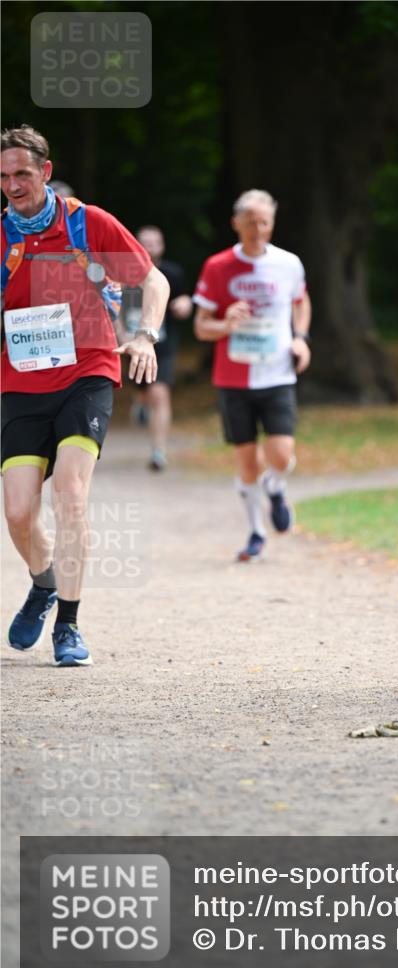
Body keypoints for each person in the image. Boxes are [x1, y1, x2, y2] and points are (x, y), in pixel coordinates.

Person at [1, 125, 169, 666]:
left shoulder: (86, 223)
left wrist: (145, 334)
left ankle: (68, 627)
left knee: (70, 494)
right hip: (22, 380)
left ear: (44, 172)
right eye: (3, 177)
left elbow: (154, 282)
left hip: (88, 371)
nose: (12, 185)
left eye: (22, 173)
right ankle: (44, 583)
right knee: (19, 511)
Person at [193, 189, 311, 561]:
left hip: (277, 374)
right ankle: (256, 532)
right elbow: (200, 327)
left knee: (280, 455)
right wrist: (225, 324)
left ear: (272, 224)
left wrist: (301, 339)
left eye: (264, 222)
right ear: (236, 225)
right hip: (233, 378)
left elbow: (301, 301)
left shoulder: (289, 263)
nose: (258, 230)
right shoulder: (217, 266)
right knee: (247, 462)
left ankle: (275, 487)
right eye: (250, 223)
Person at [122, 225, 192, 470]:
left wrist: (185, 304)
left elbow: (184, 298)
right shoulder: (121, 272)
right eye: (145, 242)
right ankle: (139, 402)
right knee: (144, 392)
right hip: (131, 343)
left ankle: (158, 451)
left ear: (162, 246)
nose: (150, 247)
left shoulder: (171, 272)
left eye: (155, 243)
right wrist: (121, 337)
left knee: (160, 393)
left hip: (163, 343)